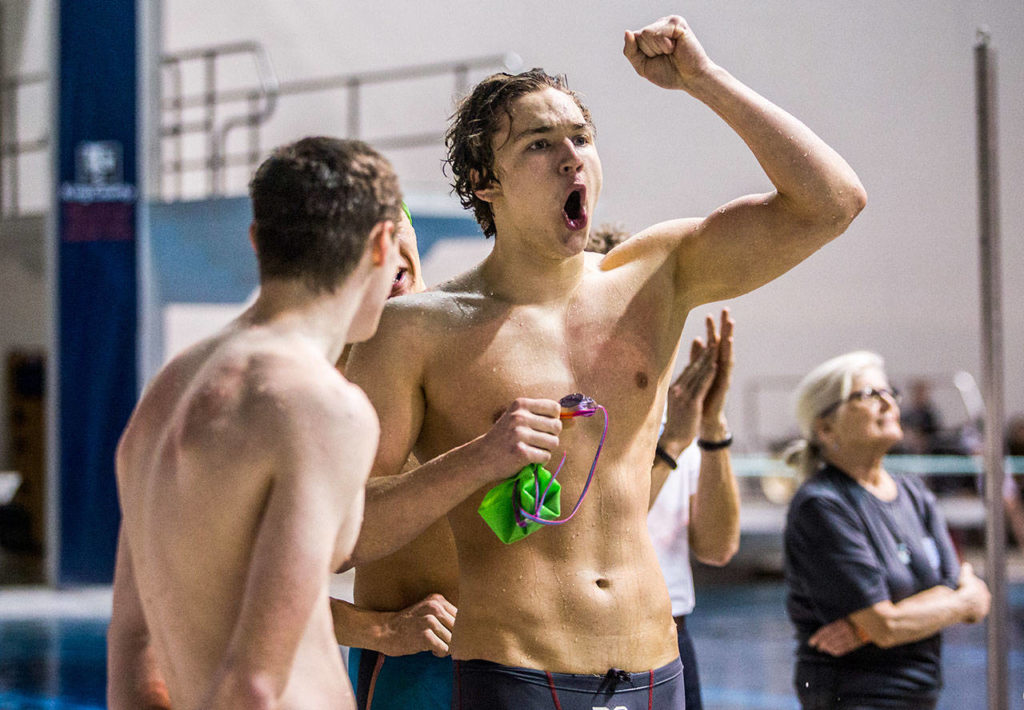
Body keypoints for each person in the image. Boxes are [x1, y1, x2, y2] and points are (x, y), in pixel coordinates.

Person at [345, 13, 866, 707]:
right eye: (539, 144)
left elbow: (832, 203)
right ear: (484, 180)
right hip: (518, 673)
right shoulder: (417, 331)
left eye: (582, 138)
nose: (571, 158)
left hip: (654, 666)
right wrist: (479, 459)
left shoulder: (656, 276)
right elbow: (345, 527)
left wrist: (704, 81)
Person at [107, 137, 406, 709]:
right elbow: (255, 683)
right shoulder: (321, 406)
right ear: (381, 243)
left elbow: (130, 647)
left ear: (257, 241)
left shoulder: (164, 394)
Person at [783, 351, 991, 710]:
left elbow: (956, 587)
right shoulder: (823, 505)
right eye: (867, 395)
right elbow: (891, 624)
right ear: (825, 427)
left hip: (921, 692)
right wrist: (962, 602)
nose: (886, 402)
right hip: (854, 695)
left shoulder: (913, 493)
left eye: (888, 392)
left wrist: (865, 629)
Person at [331, 207, 461, 710]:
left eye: (388, 229)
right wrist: (380, 630)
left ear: (411, 231)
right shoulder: (325, 386)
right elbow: (243, 582)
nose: (379, 255)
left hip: (523, 657)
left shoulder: (482, 340)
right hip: (414, 667)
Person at [647, 309, 740, 710]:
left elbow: (717, 549)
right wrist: (669, 447)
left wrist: (712, 426)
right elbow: (593, 532)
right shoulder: (570, 413)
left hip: (671, 637)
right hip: (585, 642)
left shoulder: (676, 418)